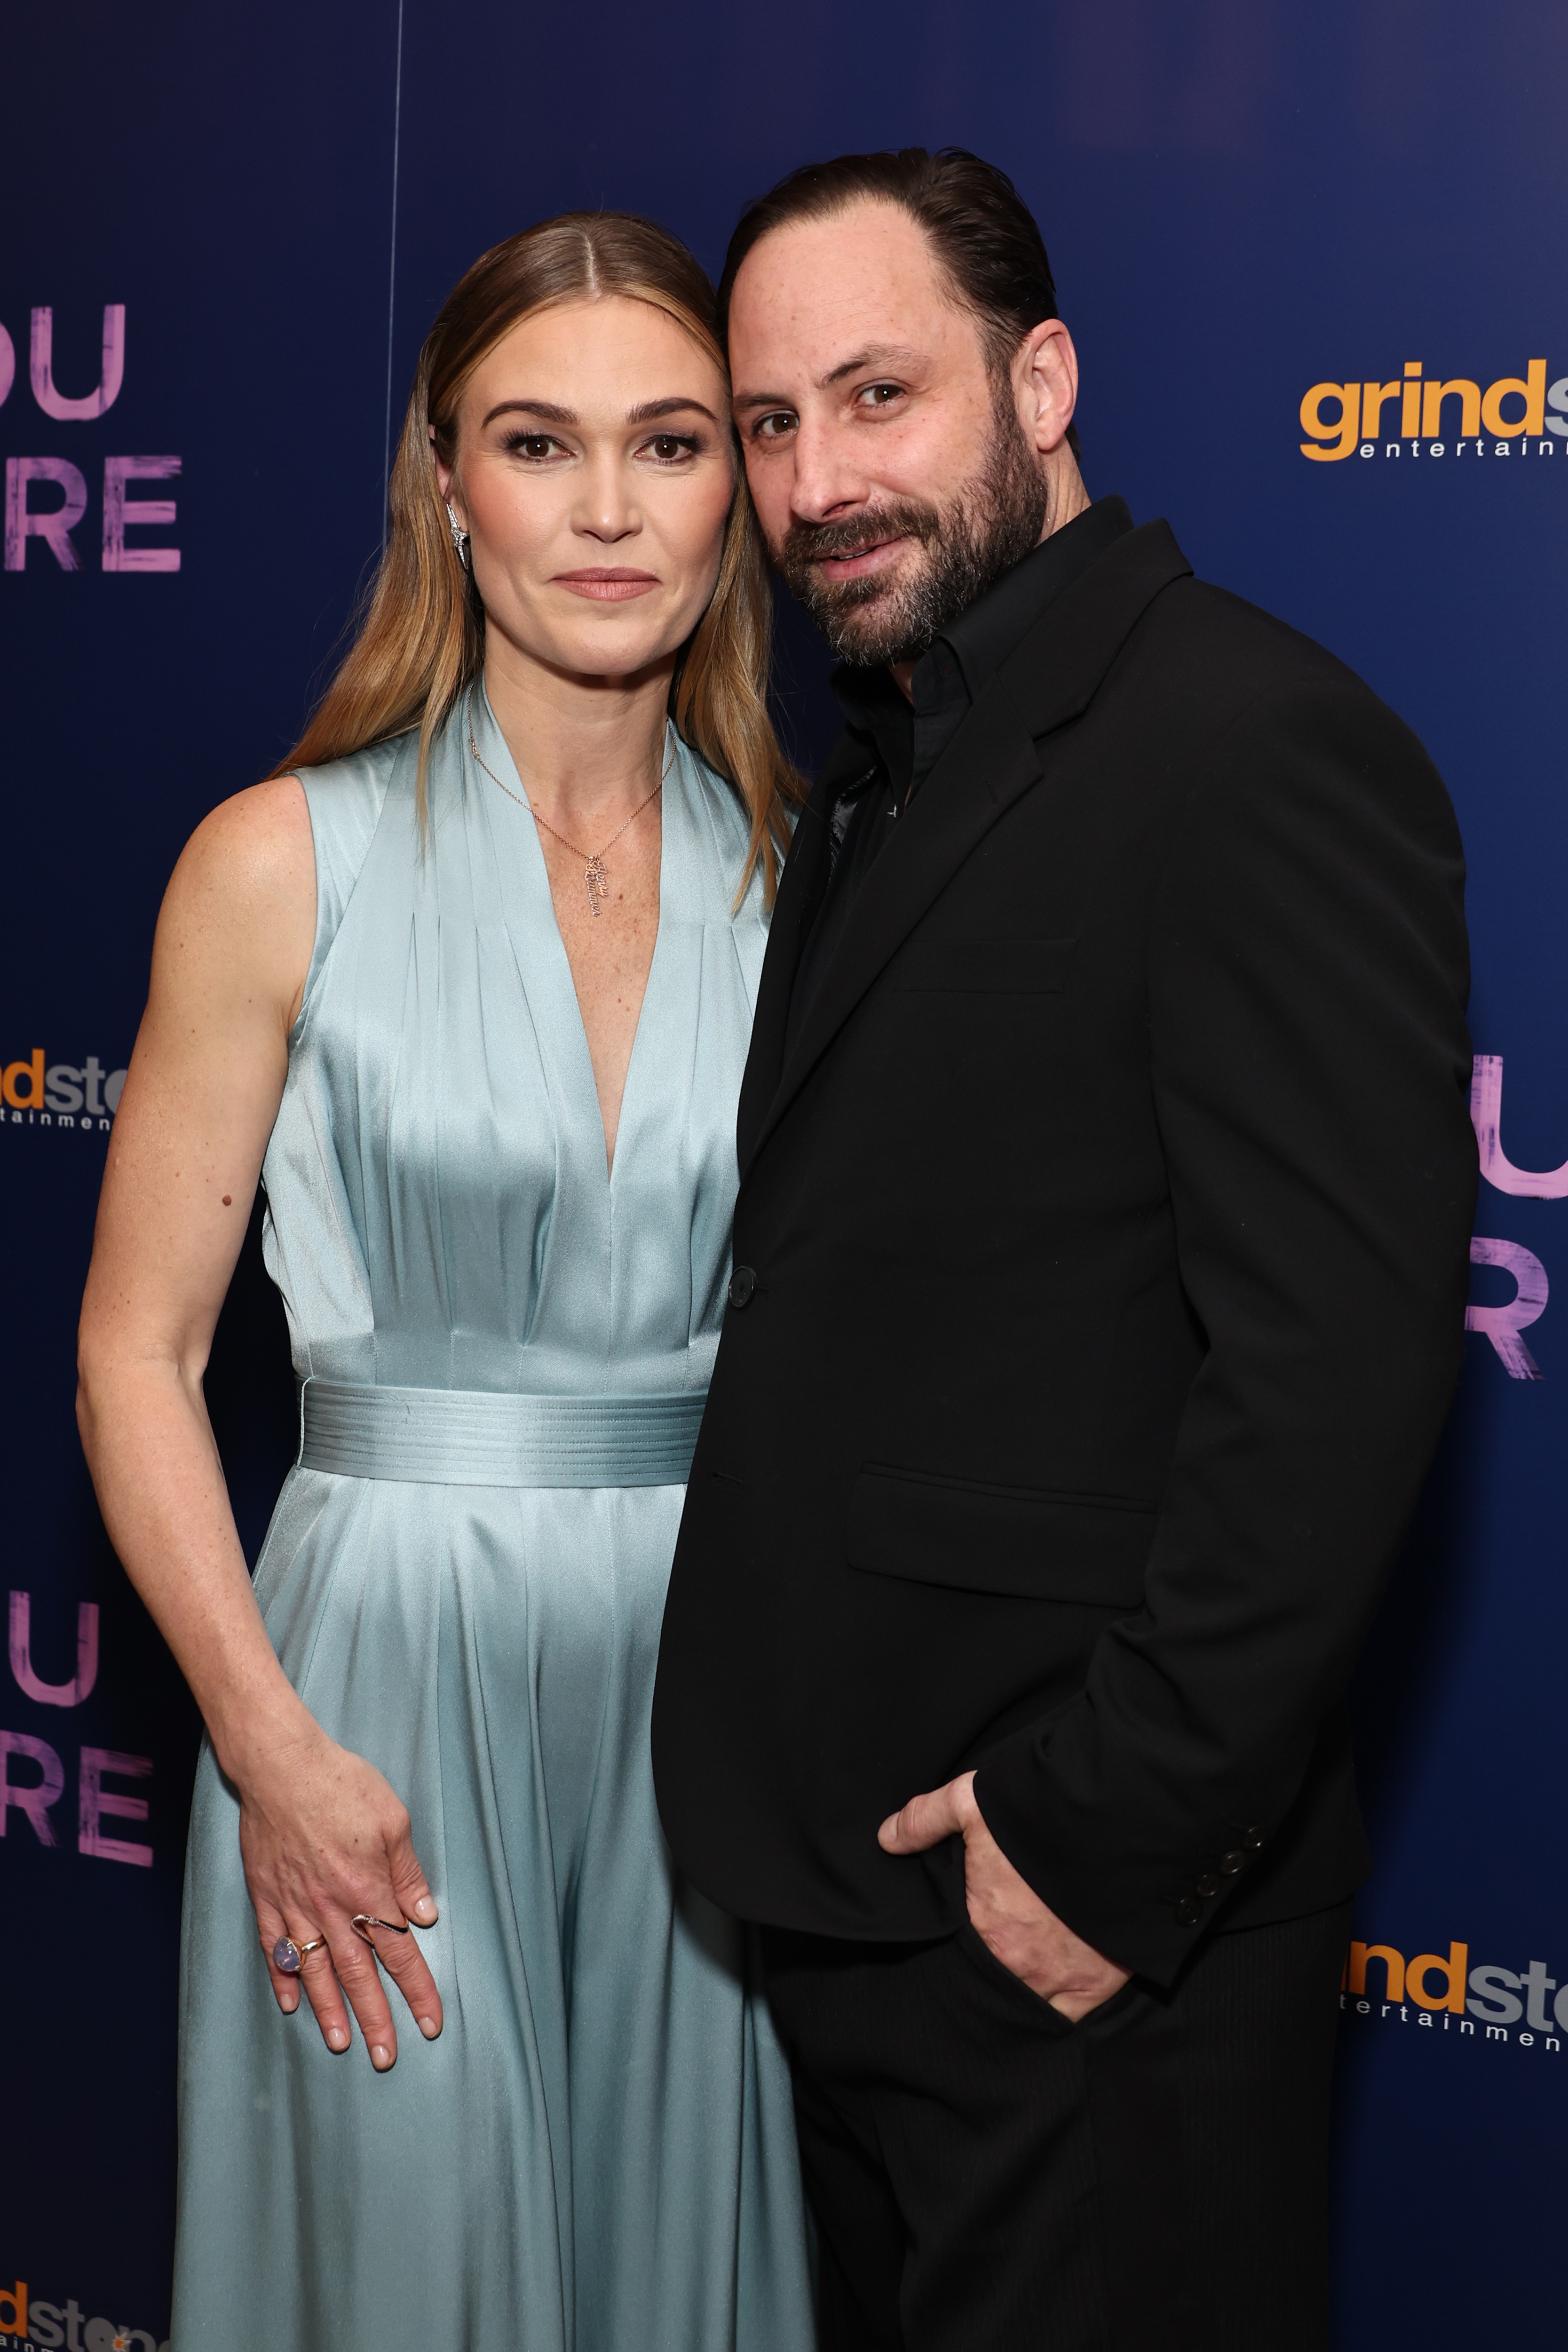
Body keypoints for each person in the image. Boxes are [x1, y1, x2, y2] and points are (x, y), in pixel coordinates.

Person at [651, 148, 1477, 2352]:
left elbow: (1336, 1369)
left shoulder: (1254, 745)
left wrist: (1098, 1842)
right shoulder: (878, 767)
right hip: (865, 1912)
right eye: (768, 422)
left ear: (1043, 379)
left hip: (1081, 1947)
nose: (819, 479)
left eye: (878, 397)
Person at [76, 213, 816, 2352]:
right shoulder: (275, 858)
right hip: (367, 1691)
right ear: (445, 478)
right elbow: (136, 1353)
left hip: (713, 1694)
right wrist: (262, 1740)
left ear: (739, 492)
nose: (605, 509)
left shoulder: (817, 887)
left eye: (670, 443)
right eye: (537, 441)